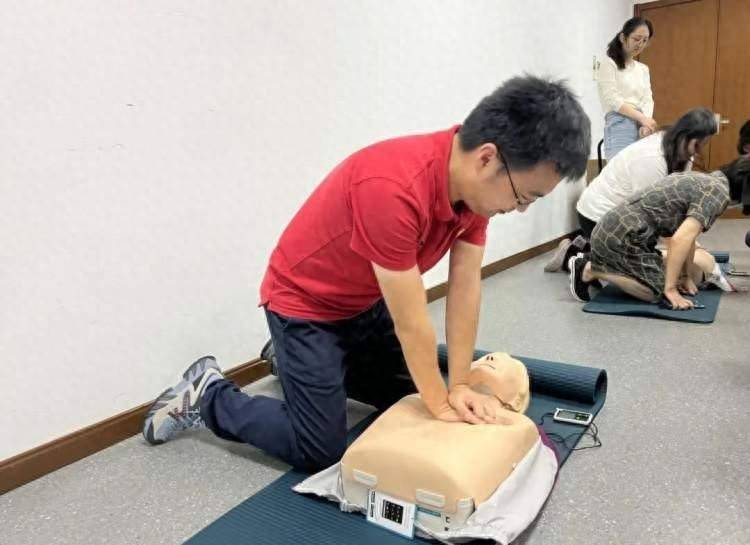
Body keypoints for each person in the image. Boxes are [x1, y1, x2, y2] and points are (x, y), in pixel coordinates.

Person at [141, 76, 591, 471]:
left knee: (409, 396)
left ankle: (289, 362)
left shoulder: (475, 194)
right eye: (523, 197)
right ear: (487, 159)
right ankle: (209, 395)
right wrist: (442, 403)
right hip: (305, 307)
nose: (519, 209)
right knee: (320, 448)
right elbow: (412, 322)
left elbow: (465, 288)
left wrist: (457, 385)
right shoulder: (392, 188)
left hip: (363, 303)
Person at [544, 107, 717, 273]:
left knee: (664, 256)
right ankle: (574, 257)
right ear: (685, 135)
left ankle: (586, 247)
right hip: (596, 216)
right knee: (648, 271)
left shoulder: (684, 153)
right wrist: (682, 243)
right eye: (698, 144)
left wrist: (689, 241)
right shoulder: (653, 159)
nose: (699, 151)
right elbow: (648, 214)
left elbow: (676, 205)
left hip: (624, 215)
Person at [568, 157, 750, 308]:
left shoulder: (710, 181)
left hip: (619, 231)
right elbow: (680, 240)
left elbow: (688, 237)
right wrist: (670, 290)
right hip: (621, 237)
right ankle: (590, 269)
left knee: (672, 277)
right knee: (656, 292)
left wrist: (685, 277)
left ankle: (601, 261)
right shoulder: (718, 194)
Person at [598, 17, 656, 161]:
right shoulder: (609, 64)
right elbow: (612, 99)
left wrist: (646, 123)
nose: (640, 44)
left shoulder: (643, 69)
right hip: (619, 122)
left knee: (639, 170)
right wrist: (642, 118)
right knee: (620, 170)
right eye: (637, 39)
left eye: (645, 40)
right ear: (623, 38)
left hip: (641, 124)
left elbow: (648, 99)